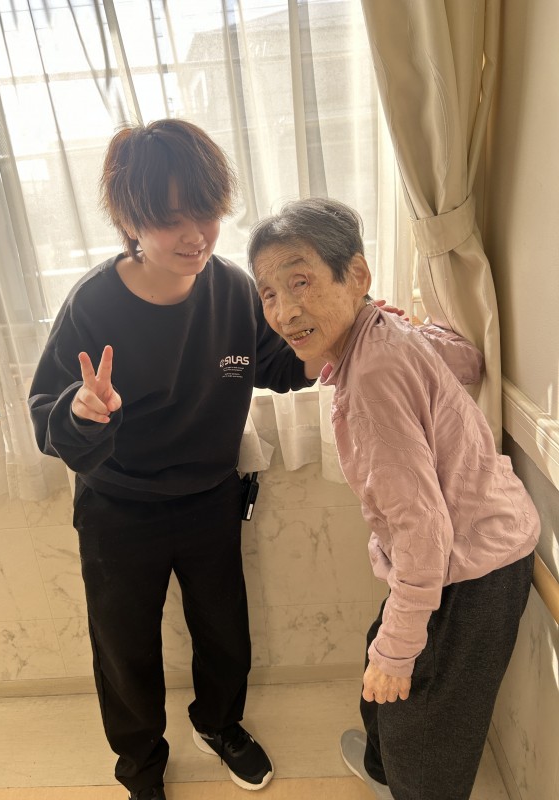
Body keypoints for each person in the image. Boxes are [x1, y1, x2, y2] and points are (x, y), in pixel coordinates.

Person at [28, 119, 326, 800]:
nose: (195, 234)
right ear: (131, 221)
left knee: (225, 633)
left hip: (209, 498)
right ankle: (141, 769)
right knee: (124, 650)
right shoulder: (93, 303)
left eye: (206, 212)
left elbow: (279, 364)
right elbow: (47, 416)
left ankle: (219, 724)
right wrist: (82, 410)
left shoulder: (233, 289)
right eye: (170, 220)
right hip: (117, 509)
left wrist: (341, 333)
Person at [247, 197, 540, 800]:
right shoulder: (379, 331)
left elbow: (422, 532)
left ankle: (408, 780)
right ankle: (385, 770)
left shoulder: (373, 376)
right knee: (383, 668)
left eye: (300, 281)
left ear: (356, 275)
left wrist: (398, 653)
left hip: (473, 568)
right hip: (476, 545)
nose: (284, 311)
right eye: (268, 293)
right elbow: (468, 361)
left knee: (423, 722)